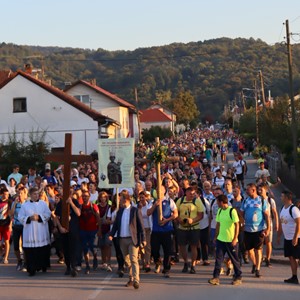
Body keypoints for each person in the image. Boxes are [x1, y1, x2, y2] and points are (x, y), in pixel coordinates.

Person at [108, 190, 146, 289]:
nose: (119, 202)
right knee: (127, 260)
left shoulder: (135, 210)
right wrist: (111, 234)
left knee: (133, 259)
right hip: (122, 239)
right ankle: (131, 277)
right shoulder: (120, 211)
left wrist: (143, 239)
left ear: (126, 200)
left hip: (132, 239)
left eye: (120, 200)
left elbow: (141, 226)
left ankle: (136, 280)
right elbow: (116, 224)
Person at [208, 194, 242, 286]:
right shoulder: (219, 211)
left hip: (231, 240)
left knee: (234, 260)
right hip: (221, 240)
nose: (217, 204)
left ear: (222, 202)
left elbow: (237, 225)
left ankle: (238, 277)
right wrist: (216, 236)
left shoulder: (232, 211)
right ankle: (216, 277)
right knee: (218, 259)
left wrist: (235, 238)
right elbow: (218, 224)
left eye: (218, 202)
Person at [18, 187, 52, 276]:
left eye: (37, 194)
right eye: (34, 194)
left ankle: (43, 266)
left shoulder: (43, 204)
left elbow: (48, 214)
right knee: (31, 252)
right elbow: (20, 217)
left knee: (42, 249)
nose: (37, 195)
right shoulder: (25, 205)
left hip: (41, 230)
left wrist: (39, 217)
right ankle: (31, 269)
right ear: (30, 195)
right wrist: (29, 218)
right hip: (30, 231)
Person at [240, 183, 270, 278]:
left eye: (248, 190)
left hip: (259, 229)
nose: (246, 192)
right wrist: (242, 222)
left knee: (258, 249)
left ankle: (257, 269)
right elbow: (241, 213)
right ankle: (254, 263)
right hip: (247, 230)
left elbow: (267, 215)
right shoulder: (245, 200)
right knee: (249, 250)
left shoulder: (261, 200)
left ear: (253, 190)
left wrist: (268, 228)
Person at [147, 186, 178, 278]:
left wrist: (167, 220)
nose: (159, 192)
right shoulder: (152, 202)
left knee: (167, 251)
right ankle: (157, 261)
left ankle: (166, 269)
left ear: (164, 191)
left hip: (167, 230)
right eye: (157, 190)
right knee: (155, 250)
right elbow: (148, 213)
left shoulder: (169, 201)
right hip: (156, 231)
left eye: (161, 190)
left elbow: (176, 214)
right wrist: (155, 205)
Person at [176, 187, 204, 274]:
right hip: (182, 228)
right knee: (182, 246)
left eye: (193, 193)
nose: (192, 195)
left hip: (194, 228)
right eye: (190, 193)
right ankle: (185, 262)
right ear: (186, 193)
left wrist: (193, 220)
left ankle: (193, 265)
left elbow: (201, 215)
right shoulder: (180, 201)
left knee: (193, 246)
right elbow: (175, 213)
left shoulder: (197, 201)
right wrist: (179, 219)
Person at [277, 191, 300, 284]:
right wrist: (279, 236)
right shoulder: (282, 208)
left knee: (298, 257)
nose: (280, 197)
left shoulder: (294, 209)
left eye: (282, 196)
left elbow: (299, 224)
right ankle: (294, 277)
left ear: (287, 197)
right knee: (291, 258)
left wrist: (295, 237)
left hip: (296, 238)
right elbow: (282, 223)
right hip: (287, 238)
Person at [79, 191, 102, 274]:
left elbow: (98, 218)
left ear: (89, 197)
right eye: (83, 196)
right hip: (83, 230)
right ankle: (87, 265)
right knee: (85, 249)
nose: (85, 198)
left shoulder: (93, 206)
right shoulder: (80, 207)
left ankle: (95, 258)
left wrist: (99, 230)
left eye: (86, 196)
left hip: (93, 230)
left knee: (93, 248)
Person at [257, 183, 279, 267]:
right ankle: (260, 257)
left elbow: (275, 212)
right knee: (260, 243)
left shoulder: (270, 200)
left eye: (261, 190)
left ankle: (268, 259)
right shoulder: (257, 200)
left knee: (268, 242)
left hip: (268, 223)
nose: (259, 191)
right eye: (258, 190)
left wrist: (277, 223)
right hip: (259, 224)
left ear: (265, 190)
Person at [10, 186, 27, 271]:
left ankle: (25, 262)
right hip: (16, 226)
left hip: (25, 226)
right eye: (18, 193)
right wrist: (15, 204)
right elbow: (11, 214)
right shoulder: (14, 203)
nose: (19, 195)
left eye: (21, 193)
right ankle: (19, 261)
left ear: (24, 194)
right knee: (16, 246)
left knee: (25, 245)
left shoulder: (27, 203)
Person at [0, 188, 12, 264]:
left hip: (6, 223)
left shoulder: (10, 202)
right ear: (1, 194)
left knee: (7, 241)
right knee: (0, 243)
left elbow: (11, 214)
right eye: (5, 194)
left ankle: (6, 257)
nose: (6, 196)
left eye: (7, 194)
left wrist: (10, 224)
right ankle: (2, 252)